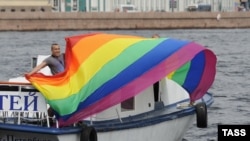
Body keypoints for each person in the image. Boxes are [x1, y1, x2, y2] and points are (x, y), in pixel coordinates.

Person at [26, 43, 65, 118]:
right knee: (56, 103)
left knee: (65, 102)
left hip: (67, 83)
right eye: (55, 49)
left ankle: (70, 120)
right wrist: (29, 74)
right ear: (52, 50)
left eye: (58, 49)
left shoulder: (63, 56)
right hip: (58, 84)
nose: (57, 50)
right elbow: (39, 67)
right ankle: (48, 118)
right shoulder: (49, 60)